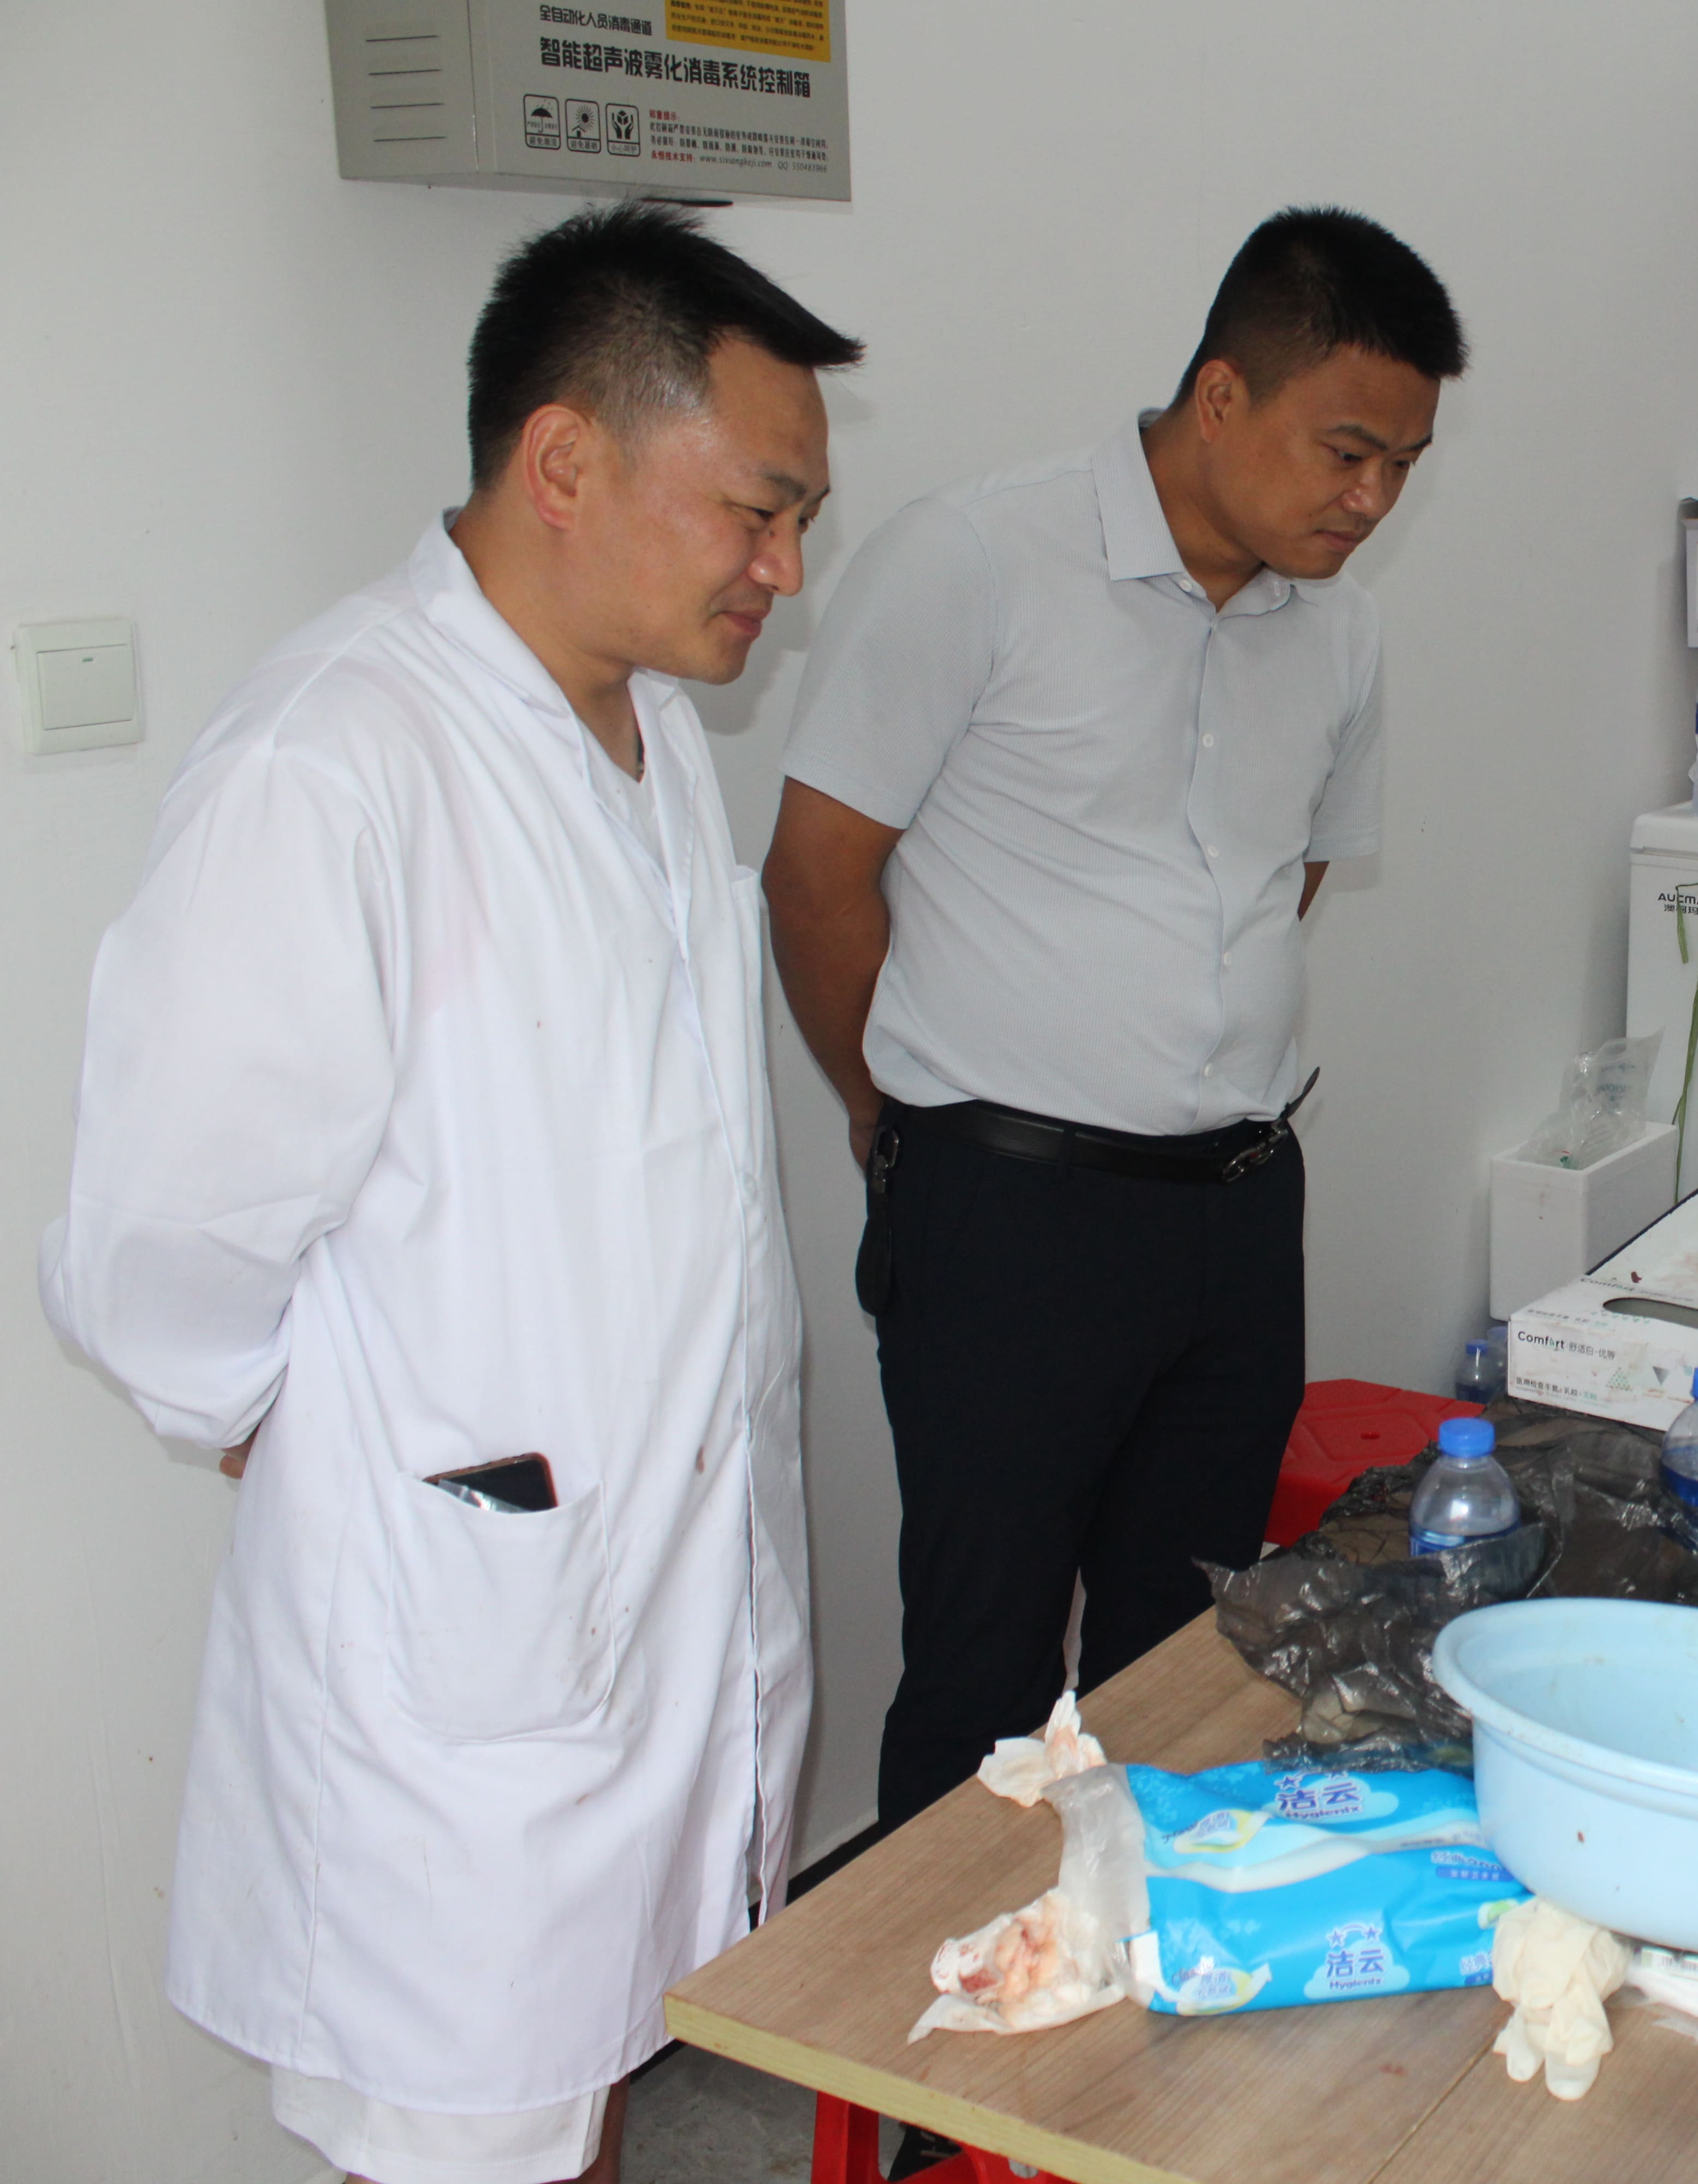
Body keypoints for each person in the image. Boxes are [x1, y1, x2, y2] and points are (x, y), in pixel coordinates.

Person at [40, 206, 856, 2184]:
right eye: (756, 511)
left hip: (645, 1599)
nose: (784, 568)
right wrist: (297, 1424)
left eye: (801, 521)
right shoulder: (336, 760)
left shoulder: (653, 735)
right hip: (467, 1637)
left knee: (591, 2084)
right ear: (564, 459)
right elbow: (160, 1238)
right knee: (460, 2123)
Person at [763, 207, 1466, 1829]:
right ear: (1221, 396)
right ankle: (937, 1995)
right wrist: (888, 1108)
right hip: (1011, 1210)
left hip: (1236, 1211)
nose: (1372, 499)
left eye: (1403, 465)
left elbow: (1275, 884)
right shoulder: (977, 561)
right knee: (984, 1664)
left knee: (1192, 1654)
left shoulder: (1340, 629)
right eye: (1346, 451)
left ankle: (1137, 1974)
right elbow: (815, 875)